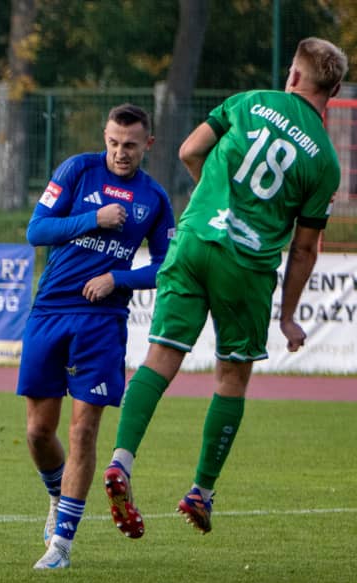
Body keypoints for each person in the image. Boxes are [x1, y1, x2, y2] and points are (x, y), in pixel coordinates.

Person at [103, 37, 347, 538]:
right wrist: (288, 316)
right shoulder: (325, 161)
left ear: (293, 76)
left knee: (159, 358)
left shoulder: (249, 101)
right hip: (247, 266)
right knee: (232, 377)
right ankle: (201, 490)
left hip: (195, 241)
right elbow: (305, 249)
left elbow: (190, 150)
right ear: (335, 90)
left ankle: (121, 461)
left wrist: (210, 195)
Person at [20, 104, 174, 570]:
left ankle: (61, 545)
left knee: (83, 429)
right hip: (49, 311)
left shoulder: (154, 198)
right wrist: (93, 219)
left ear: (148, 144)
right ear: (104, 137)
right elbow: (36, 230)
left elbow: (167, 266)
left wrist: (117, 279)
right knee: (38, 431)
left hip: (102, 322)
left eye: (130, 145)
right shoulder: (77, 170)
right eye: (113, 142)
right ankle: (56, 494)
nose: (120, 152)